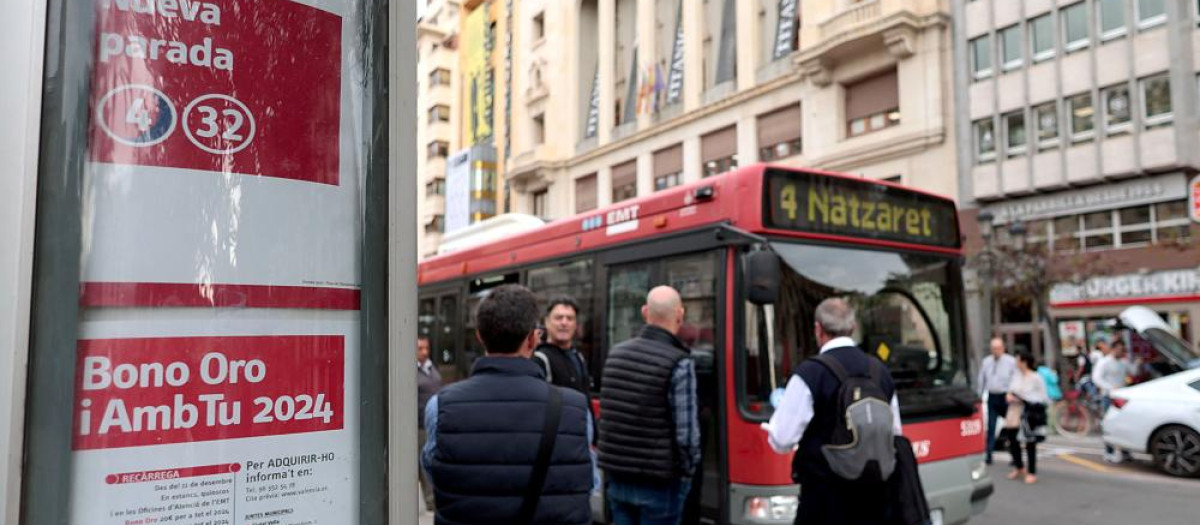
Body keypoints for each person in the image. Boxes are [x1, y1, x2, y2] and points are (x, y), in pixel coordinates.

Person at [422, 285, 594, 525]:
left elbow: (434, 471)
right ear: (533, 338)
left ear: (480, 336)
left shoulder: (440, 406)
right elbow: (587, 480)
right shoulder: (576, 408)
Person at [762, 298, 903, 525]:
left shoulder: (810, 373)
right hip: (875, 499)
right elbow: (894, 432)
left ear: (818, 329)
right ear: (853, 327)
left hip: (824, 499)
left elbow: (782, 439)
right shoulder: (880, 371)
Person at [597, 286, 700, 525]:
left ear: (645, 312)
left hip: (618, 478)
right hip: (661, 482)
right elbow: (686, 436)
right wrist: (687, 473)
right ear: (680, 314)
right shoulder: (679, 362)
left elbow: (609, 419)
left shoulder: (615, 354)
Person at [1000, 352, 1050, 484]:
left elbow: (1043, 397)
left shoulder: (1036, 377)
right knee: (1012, 439)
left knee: (1030, 442)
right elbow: (1009, 391)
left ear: (1024, 362)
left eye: (1018, 360)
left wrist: (1025, 399)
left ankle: (1032, 471)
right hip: (1014, 411)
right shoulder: (1016, 376)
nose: (1016, 363)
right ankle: (1019, 467)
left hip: (1029, 413)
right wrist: (1010, 396)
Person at [533, 296, 593, 398]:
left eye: (570, 318)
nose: (564, 323)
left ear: (576, 325)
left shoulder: (578, 357)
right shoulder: (540, 359)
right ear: (546, 322)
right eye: (558, 318)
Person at [976, 337, 1017, 465]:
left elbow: (1015, 378)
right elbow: (981, 379)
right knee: (991, 427)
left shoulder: (1010, 361)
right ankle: (989, 455)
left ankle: (1015, 456)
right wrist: (979, 395)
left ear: (1003, 348)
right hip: (992, 396)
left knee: (1011, 426)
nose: (996, 351)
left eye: (998, 348)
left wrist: (1012, 392)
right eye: (993, 348)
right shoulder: (986, 362)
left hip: (1006, 396)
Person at [1092, 340, 1135, 463]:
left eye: (1123, 350)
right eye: (1120, 350)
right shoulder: (1104, 362)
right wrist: (1110, 387)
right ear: (1114, 349)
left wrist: (1137, 362)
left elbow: (1133, 372)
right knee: (1109, 424)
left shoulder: (1124, 361)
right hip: (1108, 397)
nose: (1122, 352)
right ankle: (1109, 452)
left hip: (1123, 398)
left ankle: (1126, 451)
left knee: (1126, 425)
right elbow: (1096, 378)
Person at [415, 336, 442, 512]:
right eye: (420, 348)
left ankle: (433, 498)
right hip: (419, 425)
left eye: (426, 348)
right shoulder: (413, 371)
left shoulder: (431, 369)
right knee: (423, 461)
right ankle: (430, 499)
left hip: (434, 423)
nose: (424, 351)